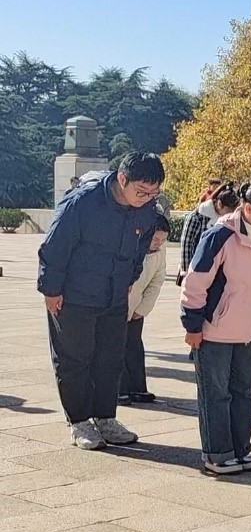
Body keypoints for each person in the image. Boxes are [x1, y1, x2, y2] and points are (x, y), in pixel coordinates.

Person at [38, 153, 165, 450]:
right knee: (74, 359)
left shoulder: (146, 210)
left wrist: (130, 280)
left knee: (110, 359)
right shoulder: (83, 202)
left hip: (115, 294)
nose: (146, 198)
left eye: (153, 193)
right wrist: (51, 290)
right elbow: (55, 246)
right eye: (141, 191)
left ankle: (106, 417)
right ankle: (79, 421)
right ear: (122, 179)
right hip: (74, 295)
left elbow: (140, 250)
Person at [181, 181, 251, 475]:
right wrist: (192, 324)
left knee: (244, 392)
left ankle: (241, 449)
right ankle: (217, 453)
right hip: (216, 330)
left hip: (249, 330)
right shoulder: (220, 235)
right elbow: (195, 281)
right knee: (216, 394)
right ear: (248, 209)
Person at [119, 213, 170, 404]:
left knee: (134, 347)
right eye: (156, 239)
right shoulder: (129, 246)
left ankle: (137, 388)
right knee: (116, 348)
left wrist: (142, 309)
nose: (158, 244)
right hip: (118, 305)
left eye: (163, 240)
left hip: (137, 307)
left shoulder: (159, 253)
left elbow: (157, 281)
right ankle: (119, 389)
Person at [179, 183, 239, 283]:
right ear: (219, 204)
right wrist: (186, 271)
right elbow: (186, 244)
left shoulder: (231, 220)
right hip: (196, 266)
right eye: (228, 211)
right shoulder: (197, 217)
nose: (230, 215)